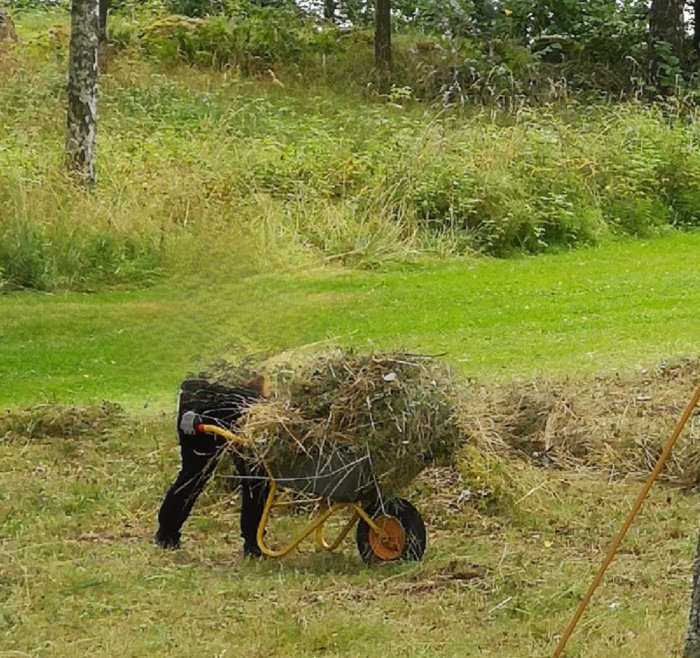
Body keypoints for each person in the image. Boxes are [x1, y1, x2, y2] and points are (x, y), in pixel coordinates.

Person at [155, 376, 270, 557]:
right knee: (195, 474)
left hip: (247, 408)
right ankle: (167, 534)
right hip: (203, 406)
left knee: (257, 477)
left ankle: (254, 542)